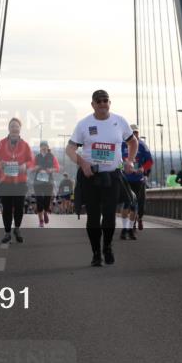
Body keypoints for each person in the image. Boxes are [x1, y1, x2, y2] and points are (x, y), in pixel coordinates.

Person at [66, 89, 138, 267]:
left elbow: (133, 142)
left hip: (112, 176)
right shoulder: (84, 124)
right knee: (92, 218)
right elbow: (70, 149)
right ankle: (96, 253)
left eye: (105, 100)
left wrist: (129, 161)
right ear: (93, 105)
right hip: (91, 177)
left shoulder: (119, 121)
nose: (102, 103)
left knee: (108, 217)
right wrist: (83, 164)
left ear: (109, 103)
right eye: (98, 101)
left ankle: (107, 246)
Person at [0, 118, 34, 244]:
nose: (14, 128)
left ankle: (17, 228)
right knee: (7, 207)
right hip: (5, 182)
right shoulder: (1, 144)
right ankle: (7, 233)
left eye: (17, 126)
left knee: (19, 207)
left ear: (19, 129)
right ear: (9, 128)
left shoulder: (25, 145)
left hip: (20, 181)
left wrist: (25, 166)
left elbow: (32, 161)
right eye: (12, 126)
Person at [120, 124, 153, 238]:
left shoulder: (143, 146)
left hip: (138, 180)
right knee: (126, 203)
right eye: (132, 132)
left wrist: (142, 168)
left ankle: (132, 225)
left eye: (136, 132)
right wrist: (123, 166)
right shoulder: (122, 144)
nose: (135, 135)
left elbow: (149, 161)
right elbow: (117, 159)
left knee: (136, 205)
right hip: (125, 179)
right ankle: (125, 228)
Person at [32, 141, 59, 227]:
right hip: (38, 182)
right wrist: (35, 168)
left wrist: (51, 170)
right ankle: (41, 221)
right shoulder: (36, 157)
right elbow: (31, 168)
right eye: (42, 146)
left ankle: (45, 212)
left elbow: (57, 168)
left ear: (48, 147)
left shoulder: (52, 157)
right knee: (39, 201)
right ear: (40, 148)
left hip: (48, 182)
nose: (44, 147)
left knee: (47, 201)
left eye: (45, 146)